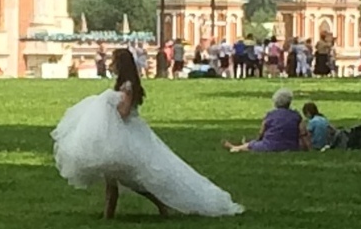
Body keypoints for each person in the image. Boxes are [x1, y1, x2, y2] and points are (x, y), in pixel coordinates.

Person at [51, 49, 244, 218]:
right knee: (117, 178)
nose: (111, 65)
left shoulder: (127, 85)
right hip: (123, 132)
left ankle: (154, 206)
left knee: (135, 177)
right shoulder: (124, 83)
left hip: (126, 132)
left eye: (114, 62)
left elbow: (125, 112)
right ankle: (116, 213)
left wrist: (106, 107)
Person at [223, 88, 308, 152]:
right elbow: (302, 132)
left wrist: (256, 140)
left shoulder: (270, 115)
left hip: (270, 145)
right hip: (290, 146)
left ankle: (236, 148)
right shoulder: (296, 115)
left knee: (252, 145)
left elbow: (261, 133)